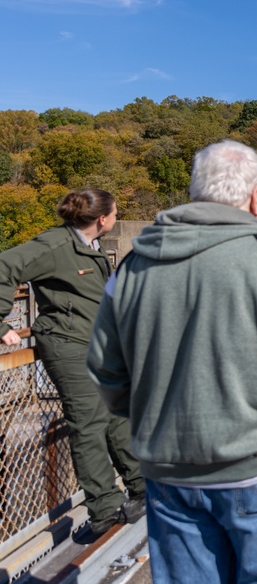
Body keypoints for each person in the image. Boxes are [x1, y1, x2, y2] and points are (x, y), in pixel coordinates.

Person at [87, 140, 257, 583]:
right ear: (255, 196)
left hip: (169, 473)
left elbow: (105, 367)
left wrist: (151, 421)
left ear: (196, 190)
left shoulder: (132, 264)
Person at [0, 189, 145, 535]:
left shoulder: (90, 248)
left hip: (97, 344)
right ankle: (105, 508)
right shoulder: (54, 246)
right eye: (115, 213)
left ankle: (142, 487)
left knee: (117, 413)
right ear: (102, 219)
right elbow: (5, 265)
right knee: (89, 421)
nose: (116, 218)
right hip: (67, 345)